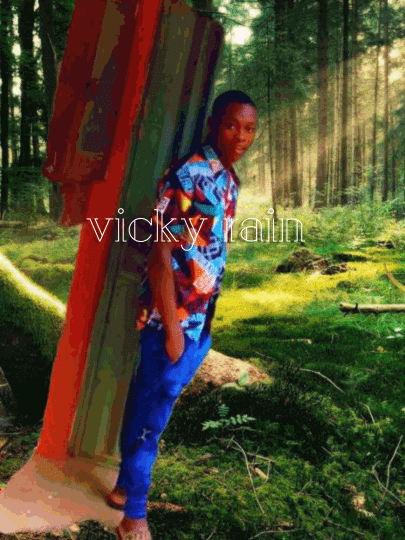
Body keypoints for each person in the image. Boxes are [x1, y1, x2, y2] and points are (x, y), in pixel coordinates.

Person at [106, 90, 257, 540]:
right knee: (153, 418)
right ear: (214, 124)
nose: (241, 136)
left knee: (146, 399)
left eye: (249, 129)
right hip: (169, 321)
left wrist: (197, 327)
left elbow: (208, 253)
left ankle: (122, 489)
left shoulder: (229, 181)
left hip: (199, 321)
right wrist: (172, 330)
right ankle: (133, 517)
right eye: (232, 125)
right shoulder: (189, 175)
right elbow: (159, 255)